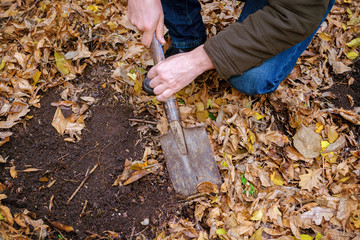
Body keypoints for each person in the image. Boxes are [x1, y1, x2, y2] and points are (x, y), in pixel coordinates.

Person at [128, 0, 335, 102]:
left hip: (294, 7)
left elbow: (294, 15)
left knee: (250, 77)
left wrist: (195, 62)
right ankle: (187, 39)